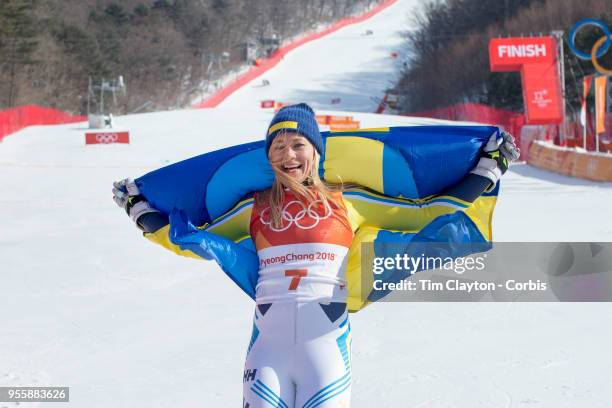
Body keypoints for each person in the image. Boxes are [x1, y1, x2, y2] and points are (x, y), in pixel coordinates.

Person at [113, 103, 519, 407]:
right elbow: (189, 238)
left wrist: (488, 167)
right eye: (277, 147)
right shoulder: (252, 207)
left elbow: (431, 212)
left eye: (297, 145)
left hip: (324, 346)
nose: (287, 155)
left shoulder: (350, 201)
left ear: (316, 151)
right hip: (266, 350)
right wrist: (138, 208)